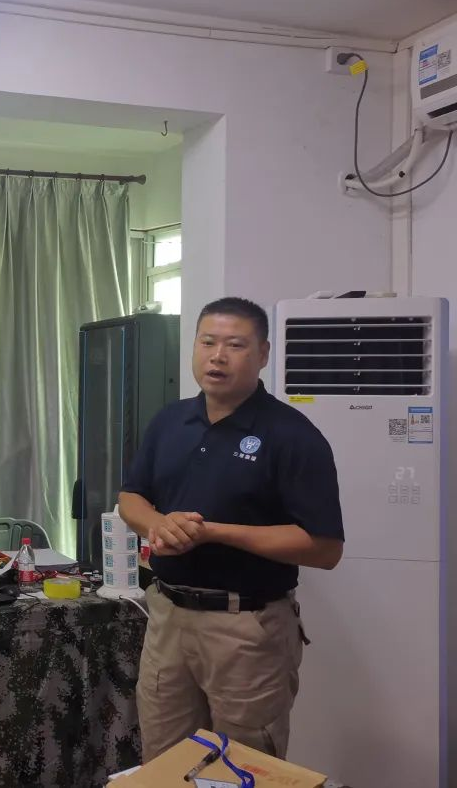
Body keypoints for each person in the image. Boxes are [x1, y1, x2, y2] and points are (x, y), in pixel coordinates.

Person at [118, 296, 344, 762]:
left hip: (247, 629)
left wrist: (215, 532)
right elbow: (129, 499)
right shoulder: (169, 421)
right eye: (207, 342)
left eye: (235, 345)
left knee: (244, 767)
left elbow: (324, 548)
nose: (217, 356)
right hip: (167, 617)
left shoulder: (293, 435)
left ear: (262, 354)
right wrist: (159, 523)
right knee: (164, 762)